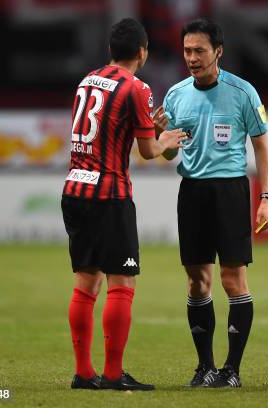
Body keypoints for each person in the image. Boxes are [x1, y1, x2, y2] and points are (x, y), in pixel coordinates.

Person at [61, 18, 187, 391]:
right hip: (109, 194)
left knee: (86, 281)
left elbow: (106, 128)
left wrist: (147, 125)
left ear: (111, 51)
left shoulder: (87, 80)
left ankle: (84, 373)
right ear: (143, 52)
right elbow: (148, 152)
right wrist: (164, 138)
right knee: (122, 280)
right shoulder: (138, 88)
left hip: (74, 188)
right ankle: (113, 375)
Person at [153, 18, 268, 388]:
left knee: (233, 280)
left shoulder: (243, 93)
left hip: (231, 192)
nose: (191, 57)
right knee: (196, 283)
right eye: (187, 50)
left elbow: (262, 147)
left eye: (199, 50)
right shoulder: (175, 95)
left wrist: (266, 198)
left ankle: (232, 371)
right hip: (192, 193)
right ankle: (204, 367)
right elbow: (168, 155)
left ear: (218, 51)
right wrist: (163, 138)